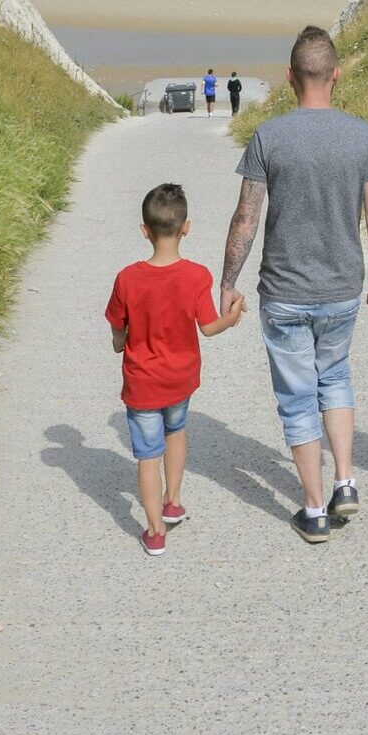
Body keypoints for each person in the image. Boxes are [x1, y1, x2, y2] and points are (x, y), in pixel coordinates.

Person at [219, 25, 368, 544]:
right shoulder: (365, 136)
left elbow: (246, 218)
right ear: (336, 75)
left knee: (297, 398)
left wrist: (227, 280)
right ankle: (345, 481)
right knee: (335, 376)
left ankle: (315, 510)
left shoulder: (269, 136)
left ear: (290, 77)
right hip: (341, 288)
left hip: (285, 293)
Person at [105, 182, 243, 557]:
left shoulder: (127, 278)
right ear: (186, 228)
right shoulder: (197, 276)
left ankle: (154, 532)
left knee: (148, 455)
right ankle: (174, 500)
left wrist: (119, 342)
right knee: (177, 431)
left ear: (144, 231)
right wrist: (231, 317)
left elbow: (118, 325)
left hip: (142, 383)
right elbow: (209, 327)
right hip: (181, 379)